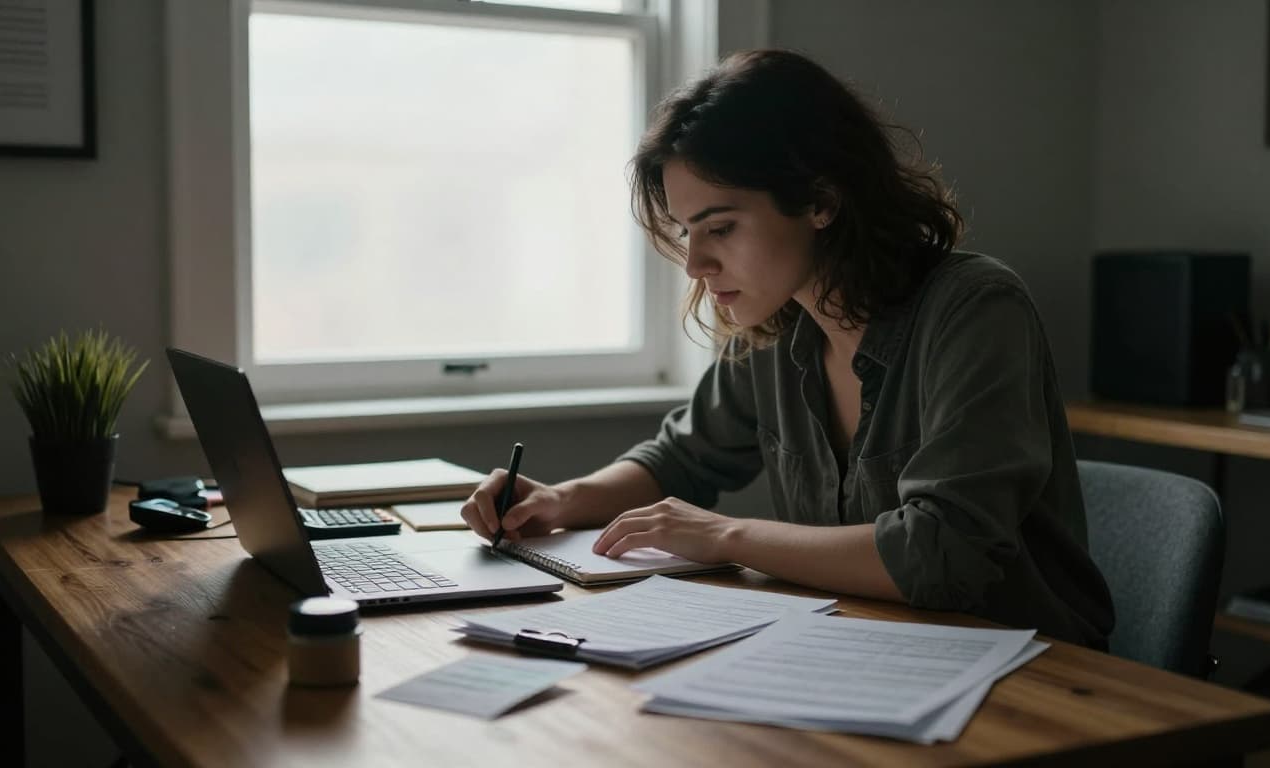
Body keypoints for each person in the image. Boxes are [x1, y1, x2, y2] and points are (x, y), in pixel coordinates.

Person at [461, 49, 1114, 649]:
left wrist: (724, 535)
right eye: (687, 231)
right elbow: (682, 458)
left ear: (821, 200)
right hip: (865, 651)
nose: (694, 263)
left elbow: (942, 553)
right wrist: (560, 499)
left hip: (1030, 669)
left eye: (720, 227)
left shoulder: (973, 310)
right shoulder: (774, 325)